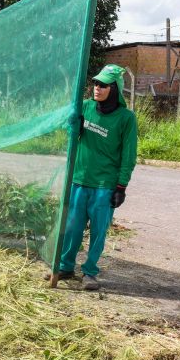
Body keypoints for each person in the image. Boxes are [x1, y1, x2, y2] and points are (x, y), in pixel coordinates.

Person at [59, 64, 137, 291]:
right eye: (95, 83)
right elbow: (69, 133)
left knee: (98, 231)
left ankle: (90, 272)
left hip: (104, 185)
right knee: (72, 227)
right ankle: (65, 266)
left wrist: (121, 186)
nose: (97, 88)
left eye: (103, 85)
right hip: (79, 180)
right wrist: (75, 125)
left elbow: (129, 155)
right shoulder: (84, 107)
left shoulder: (126, 118)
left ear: (115, 89)